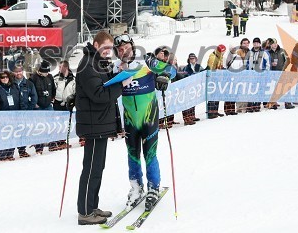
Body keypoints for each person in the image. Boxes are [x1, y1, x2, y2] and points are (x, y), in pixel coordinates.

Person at [112, 34, 176, 212]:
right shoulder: (116, 67)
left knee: (149, 154)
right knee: (132, 154)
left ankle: (153, 187)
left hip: (149, 117)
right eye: (119, 49)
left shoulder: (147, 60)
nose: (123, 51)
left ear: (132, 46)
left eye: (126, 47)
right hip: (130, 120)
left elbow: (171, 69)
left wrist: (164, 77)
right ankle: (136, 187)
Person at [76, 31, 131, 225]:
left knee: (97, 168)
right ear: (96, 44)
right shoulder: (88, 65)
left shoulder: (96, 63)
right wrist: (121, 85)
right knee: (91, 169)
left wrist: (118, 74)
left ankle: (92, 206)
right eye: (105, 48)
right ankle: (84, 212)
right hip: (93, 124)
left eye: (110, 48)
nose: (108, 52)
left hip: (99, 123)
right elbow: (99, 95)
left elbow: (104, 83)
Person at [0, 71, 24, 161]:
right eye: (2, 77)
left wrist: (21, 112)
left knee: (12, 134)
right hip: (2, 116)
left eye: (6, 77)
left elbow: (20, 100)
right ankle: (3, 154)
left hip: (15, 115)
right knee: (4, 136)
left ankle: (10, 153)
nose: (5, 79)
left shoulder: (14, 87)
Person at [28, 60, 56, 154]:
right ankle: (39, 148)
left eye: (48, 72)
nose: (47, 73)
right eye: (45, 72)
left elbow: (53, 89)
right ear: (40, 71)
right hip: (38, 106)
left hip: (48, 105)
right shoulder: (33, 78)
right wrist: (34, 103)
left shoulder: (50, 77)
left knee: (51, 125)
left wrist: (52, 98)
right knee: (39, 127)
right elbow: (30, 92)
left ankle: (52, 144)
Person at [12, 65, 38, 158]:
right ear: (13, 73)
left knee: (22, 131)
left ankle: (22, 150)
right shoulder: (11, 83)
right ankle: (10, 152)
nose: (18, 73)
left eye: (20, 71)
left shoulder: (29, 83)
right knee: (12, 131)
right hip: (13, 112)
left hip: (24, 112)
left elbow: (34, 97)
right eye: (16, 71)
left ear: (22, 71)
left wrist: (29, 108)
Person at [50, 60, 75, 151]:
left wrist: (73, 100)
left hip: (68, 103)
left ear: (66, 67)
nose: (59, 69)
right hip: (57, 103)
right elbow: (52, 89)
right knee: (57, 123)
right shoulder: (55, 78)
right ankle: (58, 141)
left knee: (65, 123)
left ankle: (63, 141)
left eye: (61, 67)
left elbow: (75, 91)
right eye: (59, 67)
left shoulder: (73, 79)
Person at [267, 38, 294, 109]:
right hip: (272, 73)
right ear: (270, 45)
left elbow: (288, 60)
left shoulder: (282, 51)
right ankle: (273, 103)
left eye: (275, 43)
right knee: (273, 88)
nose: (274, 45)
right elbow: (266, 61)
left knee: (285, 87)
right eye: (273, 44)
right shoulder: (268, 52)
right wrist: (271, 64)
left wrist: (283, 68)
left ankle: (287, 103)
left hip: (282, 72)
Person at [246, 37, 270, 112]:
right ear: (253, 44)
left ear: (259, 44)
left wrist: (266, 72)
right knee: (251, 89)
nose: (256, 44)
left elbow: (268, 64)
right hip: (251, 74)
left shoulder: (264, 53)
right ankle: (251, 105)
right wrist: (247, 71)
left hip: (261, 74)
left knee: (259, 89)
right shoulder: (249, 53)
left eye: (257, 43)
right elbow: (246, 63)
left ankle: (257, 104)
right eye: (254, 43)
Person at [181, 53, 204, 124]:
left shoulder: (198, 66)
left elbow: (203, 72)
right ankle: (189, 116)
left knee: (194, 101)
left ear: (195, 59)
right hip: (189, 86)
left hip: (196, 86)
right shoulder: (187, 67)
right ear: (189, 60)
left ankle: (192, 115)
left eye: (193, 58)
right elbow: (185, 75)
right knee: (189, 101)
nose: (192, 60)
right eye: (190, 59)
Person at [207, 45, 226, 118]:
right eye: (222, 52)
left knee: (217, 95)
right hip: (213, 79)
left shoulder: (220, 57)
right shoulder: (213, 57)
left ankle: (215, 110)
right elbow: (211, 69)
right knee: (212, 95)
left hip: (218, 79)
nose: (223, 53)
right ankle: (211, 112)